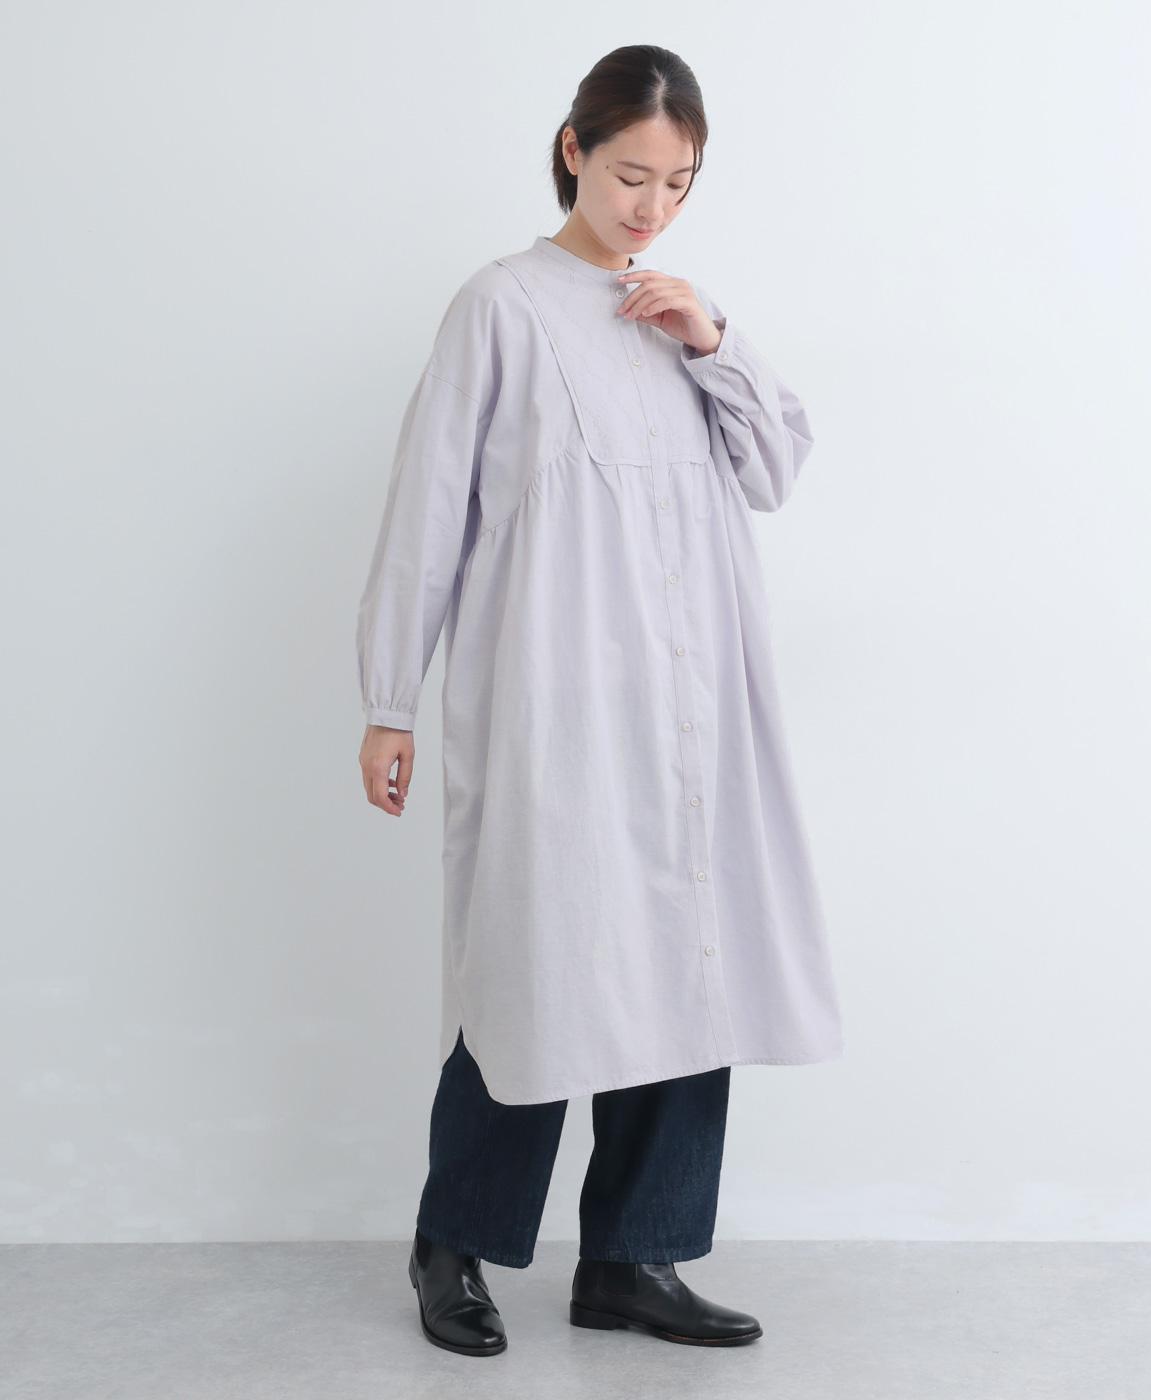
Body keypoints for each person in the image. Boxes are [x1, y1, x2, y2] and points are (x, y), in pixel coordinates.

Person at [356, 44, 844, 1356]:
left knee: (691, 968)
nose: (652, 207)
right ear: (574, 149)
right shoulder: (501, 307)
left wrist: (712, 338)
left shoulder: (683, 312)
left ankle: (634, 1259)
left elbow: (775, 468)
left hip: (695, 714)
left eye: (679, 184)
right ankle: (454, 1244)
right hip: (556, 706)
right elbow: (428, 510)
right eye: (633, 175)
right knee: (537, 968)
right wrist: (390, 697)